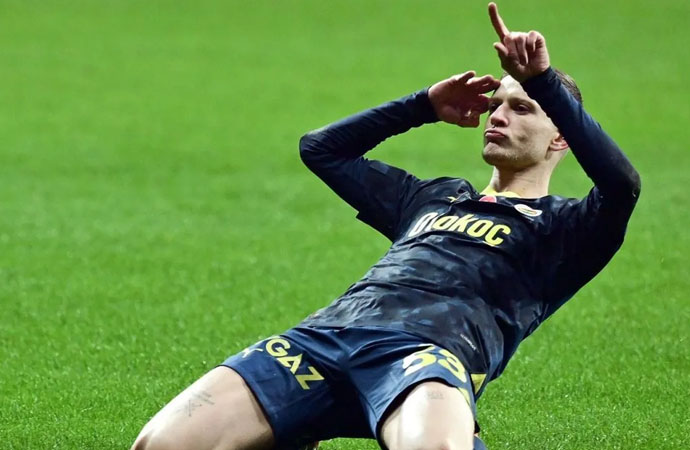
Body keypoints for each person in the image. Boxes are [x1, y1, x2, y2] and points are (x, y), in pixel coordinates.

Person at [131, 3, 640, 450]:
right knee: (160, 445)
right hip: (324, 339)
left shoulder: (567, 229)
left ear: (561, 139)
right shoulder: (435, 197)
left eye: (522, 108)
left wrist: (544, 82)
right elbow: (322, 150)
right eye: (496, 105)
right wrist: (423, 106)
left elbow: (622, 185)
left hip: (424, 357)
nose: (499, 117)